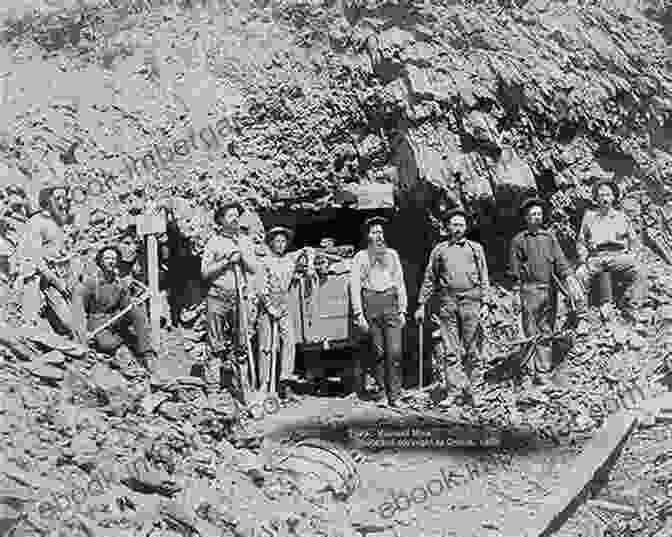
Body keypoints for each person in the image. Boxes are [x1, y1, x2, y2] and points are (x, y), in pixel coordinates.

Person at [414, 208, 492, 406]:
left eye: (461, 225)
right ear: (447, 227)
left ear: (466, 227)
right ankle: (454, 392)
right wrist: (421, 304)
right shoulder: (439, 250)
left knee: (472, 349)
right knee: (450, 350)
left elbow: (484, 277)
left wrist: (486, 303)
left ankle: (475, 391)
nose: (457, 228)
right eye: (454, 224)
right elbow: (430, 278)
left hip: (471, 302)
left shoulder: (476, 249)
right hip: (448, 303)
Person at [509, 197, 587, 384]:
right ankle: (527, 372)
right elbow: (514, 269)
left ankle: (542, 373)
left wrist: (569, 277)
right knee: (530, 330)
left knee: (546, 330)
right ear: (526, 218)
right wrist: (515, 292)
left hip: (549, 290)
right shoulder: (519, 240)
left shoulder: (549, 238)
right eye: (532, 214)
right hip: (529, 290)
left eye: (539, 214)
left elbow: (560, 261)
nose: (536, 217)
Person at [201, 197, 258, 401]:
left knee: (242, 343)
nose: (235, 219)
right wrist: (226, 261)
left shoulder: (245, 241)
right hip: (217, 296)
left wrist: (241, 256)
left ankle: (242, 387)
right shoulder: (214, 242)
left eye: (237, 215)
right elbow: (205, 272)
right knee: (215, 343)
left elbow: (253, 268)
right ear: (221, 220)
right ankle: (213, 390)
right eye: (230, 215)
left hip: (240, 297)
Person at [71, 245, 156, 377]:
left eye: (114, 259)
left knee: (137, 314)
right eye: (107, 258)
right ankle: (124, 341)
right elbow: (80, 309)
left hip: (115, 318)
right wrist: (83, 332)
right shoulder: (91, 283)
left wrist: (133, 304)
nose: (111, 261)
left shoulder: (119, 283)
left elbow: (126, 305)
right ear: (100, 261)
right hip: (97, 321)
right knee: (108, 345)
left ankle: (147, 355)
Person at [350, 216, 408, 408]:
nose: (379, 236)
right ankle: (383, 394)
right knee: (378, 352)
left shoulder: (392, 255)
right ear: (368, 236)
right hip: (371, 303)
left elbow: (399, 282)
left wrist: (403, 310)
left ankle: (396, 395)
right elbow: (355, 286)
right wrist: (358, 314)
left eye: (381, 232)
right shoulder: (360, 257)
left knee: (395, 352)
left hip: (391, 303)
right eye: (375, 232)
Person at [576, 179, 646, 321]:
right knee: (579, 274)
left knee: (640, 270)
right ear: (596, 198)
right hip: (597, 258)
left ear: (613, 197)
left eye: (607, 195)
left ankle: (633, 307)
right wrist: (583, 260)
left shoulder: (622, 217)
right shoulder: (589, 217)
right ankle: (581, 316)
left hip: (618, 257)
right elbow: (581, 242)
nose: (604, 198)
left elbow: (634, 241)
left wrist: (633, 255)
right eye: (601, 195)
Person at [14, 184, 77, 334]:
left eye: (65, 199)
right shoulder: (36, 222)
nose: (62, 203)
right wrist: (57, 282)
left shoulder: (59, 222)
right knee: (70, 324)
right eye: (58, 199)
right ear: (47, 200)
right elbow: (35, 260)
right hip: (45, 278)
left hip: (64, 276)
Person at [258, 226, 301, 399]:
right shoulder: (265, 262)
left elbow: (302, 258)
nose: (281, 244)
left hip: (283, 304)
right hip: (267, 305)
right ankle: (265, 385)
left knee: (289, 342)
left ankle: (285, 383)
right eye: (277, 241)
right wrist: (269, 307)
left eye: (284, 241)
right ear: (271, 243)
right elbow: (261, 288)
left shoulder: (289, 262)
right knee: (266, 347)